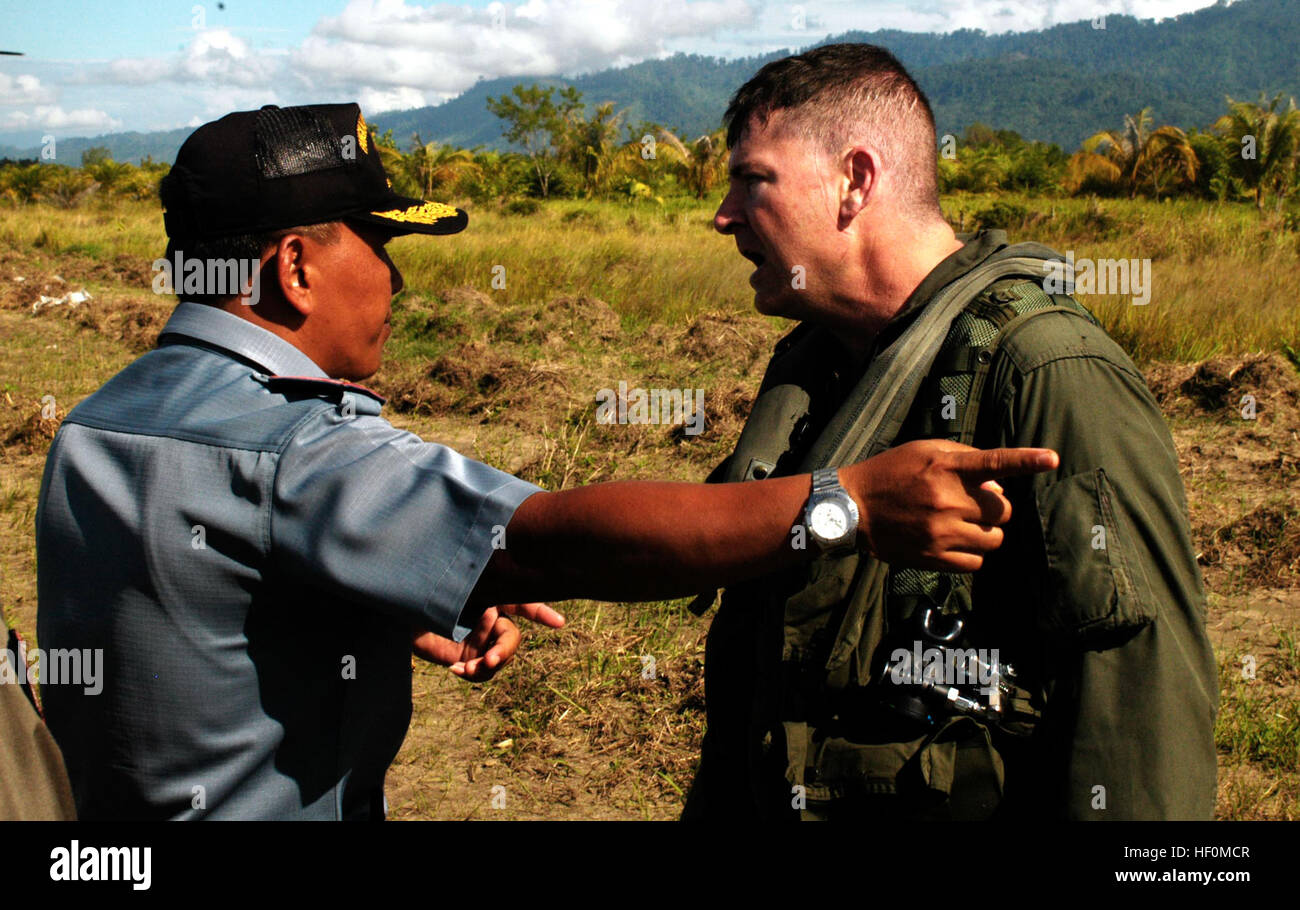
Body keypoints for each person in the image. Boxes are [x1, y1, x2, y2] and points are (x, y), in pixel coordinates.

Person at [34, 102, 1058, 820]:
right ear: (295, 266)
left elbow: (193, 609)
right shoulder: (296, 441)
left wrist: (366, 600)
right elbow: (546, 542)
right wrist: (842, 505)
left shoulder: (99, 422)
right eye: (379, 244)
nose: (394, 279)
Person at [683, 44, 1218, 821]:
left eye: (754, 180)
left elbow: (1138, 704)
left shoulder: (1046, 369)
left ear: (855, 182)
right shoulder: (818, 363)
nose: (723, 215)